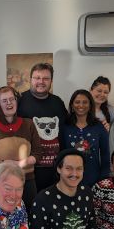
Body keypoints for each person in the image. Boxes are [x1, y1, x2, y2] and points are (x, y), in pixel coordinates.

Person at [0, 86, 41, 209]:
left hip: (26, 184)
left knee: (26, 221)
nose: (9, 103)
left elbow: (37, 154)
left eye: (12, 99)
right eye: (4, 101)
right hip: (1, 186)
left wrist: (18, 164)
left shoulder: (29, 125)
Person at [18, 63, 68, 191]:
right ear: (30, 79)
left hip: (54, 169)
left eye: (46, 78)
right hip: (28, 170)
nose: (41, 82)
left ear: (51, 81)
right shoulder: (19, 100)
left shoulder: (58, 102)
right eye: (37, 78)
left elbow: (68, 128)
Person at [62, 90, 109, 186]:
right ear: (72, 105)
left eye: (85, 102)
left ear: (90, 105)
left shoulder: (99, 126)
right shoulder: (64, 127)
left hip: (93, 180)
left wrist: (103, 178)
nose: (81, 105)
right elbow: (61, 154)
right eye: (77, 102)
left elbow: (105, 154)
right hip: (69, 179)